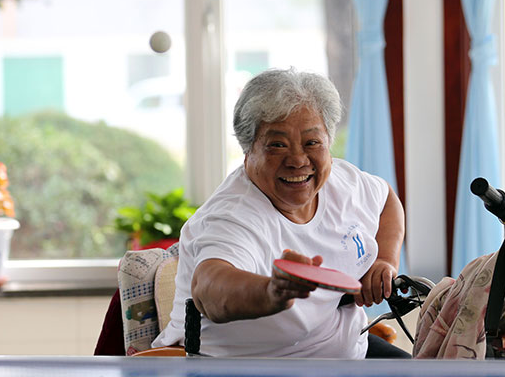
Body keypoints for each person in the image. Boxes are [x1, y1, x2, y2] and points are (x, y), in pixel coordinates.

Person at [151, 68, 408, 358]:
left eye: (312, 143)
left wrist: (385, 260)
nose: (298, 160)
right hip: (252, 367)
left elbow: (387, 199)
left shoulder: (343, 182)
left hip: (345, 353)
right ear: (248, 149)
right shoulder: (232, 215)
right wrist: (272, 291)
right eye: (277, 145)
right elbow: (209, 289)